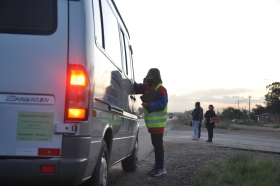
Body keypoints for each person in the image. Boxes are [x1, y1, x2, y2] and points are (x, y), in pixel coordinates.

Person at [134, 68, 168, 177]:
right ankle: (157, 167)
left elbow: (161, 104)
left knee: (158, 146)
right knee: (156, 145)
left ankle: (160, 168)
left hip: (158, 125)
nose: (147, 76)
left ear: (153, 76)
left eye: (149, 74)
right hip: (152, 125)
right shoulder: (148, 87)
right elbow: (137, 86)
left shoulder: (160, 89)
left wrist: (148, 105)